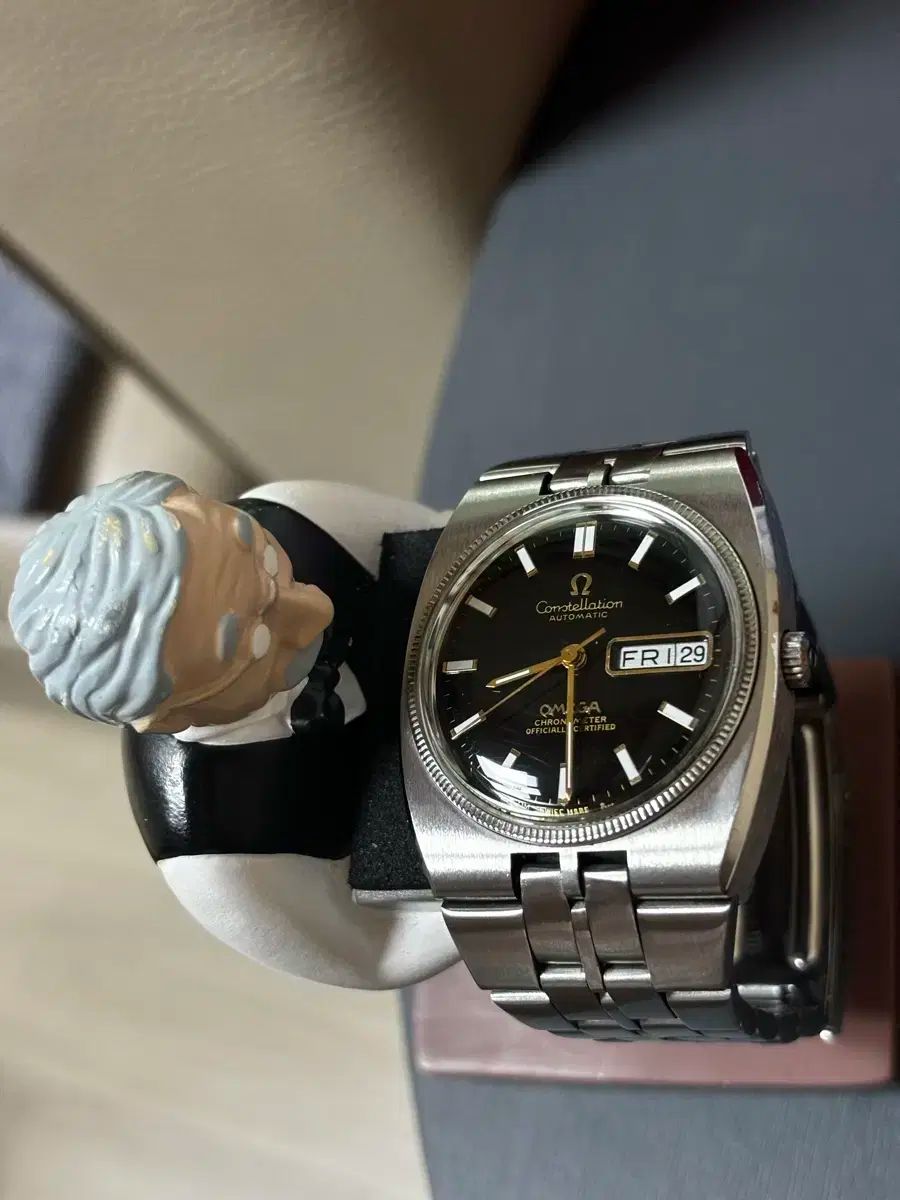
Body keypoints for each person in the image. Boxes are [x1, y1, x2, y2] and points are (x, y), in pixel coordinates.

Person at [9, 471, 457, 988]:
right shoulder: (219, 856)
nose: (314, 608)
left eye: (267, 560)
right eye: (257, 642)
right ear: (168, 716)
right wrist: (513, 870)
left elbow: (451, 534)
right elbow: (375, 954)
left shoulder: (293, 513)